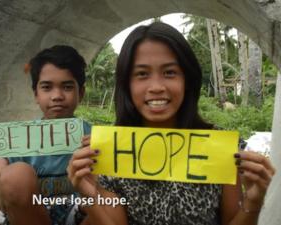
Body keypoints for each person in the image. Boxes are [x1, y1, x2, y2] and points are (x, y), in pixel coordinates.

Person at [67, 22, 276, 225]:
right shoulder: (110, 151)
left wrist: (253, 201)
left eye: (169, 72)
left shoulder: (219, 147)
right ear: (127, 84)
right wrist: (91, 196)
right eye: (142, 74)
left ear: (187, 80)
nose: (156, 86)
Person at [0, 45, 91, 225]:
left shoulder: (94, 138)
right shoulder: (15, 141)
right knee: (15, 174)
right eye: (47, 87)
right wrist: (0, 177)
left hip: (79, 215)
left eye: (67, 87)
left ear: (80, 93)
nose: (57, 96)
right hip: (29, 217)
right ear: (36, 94)